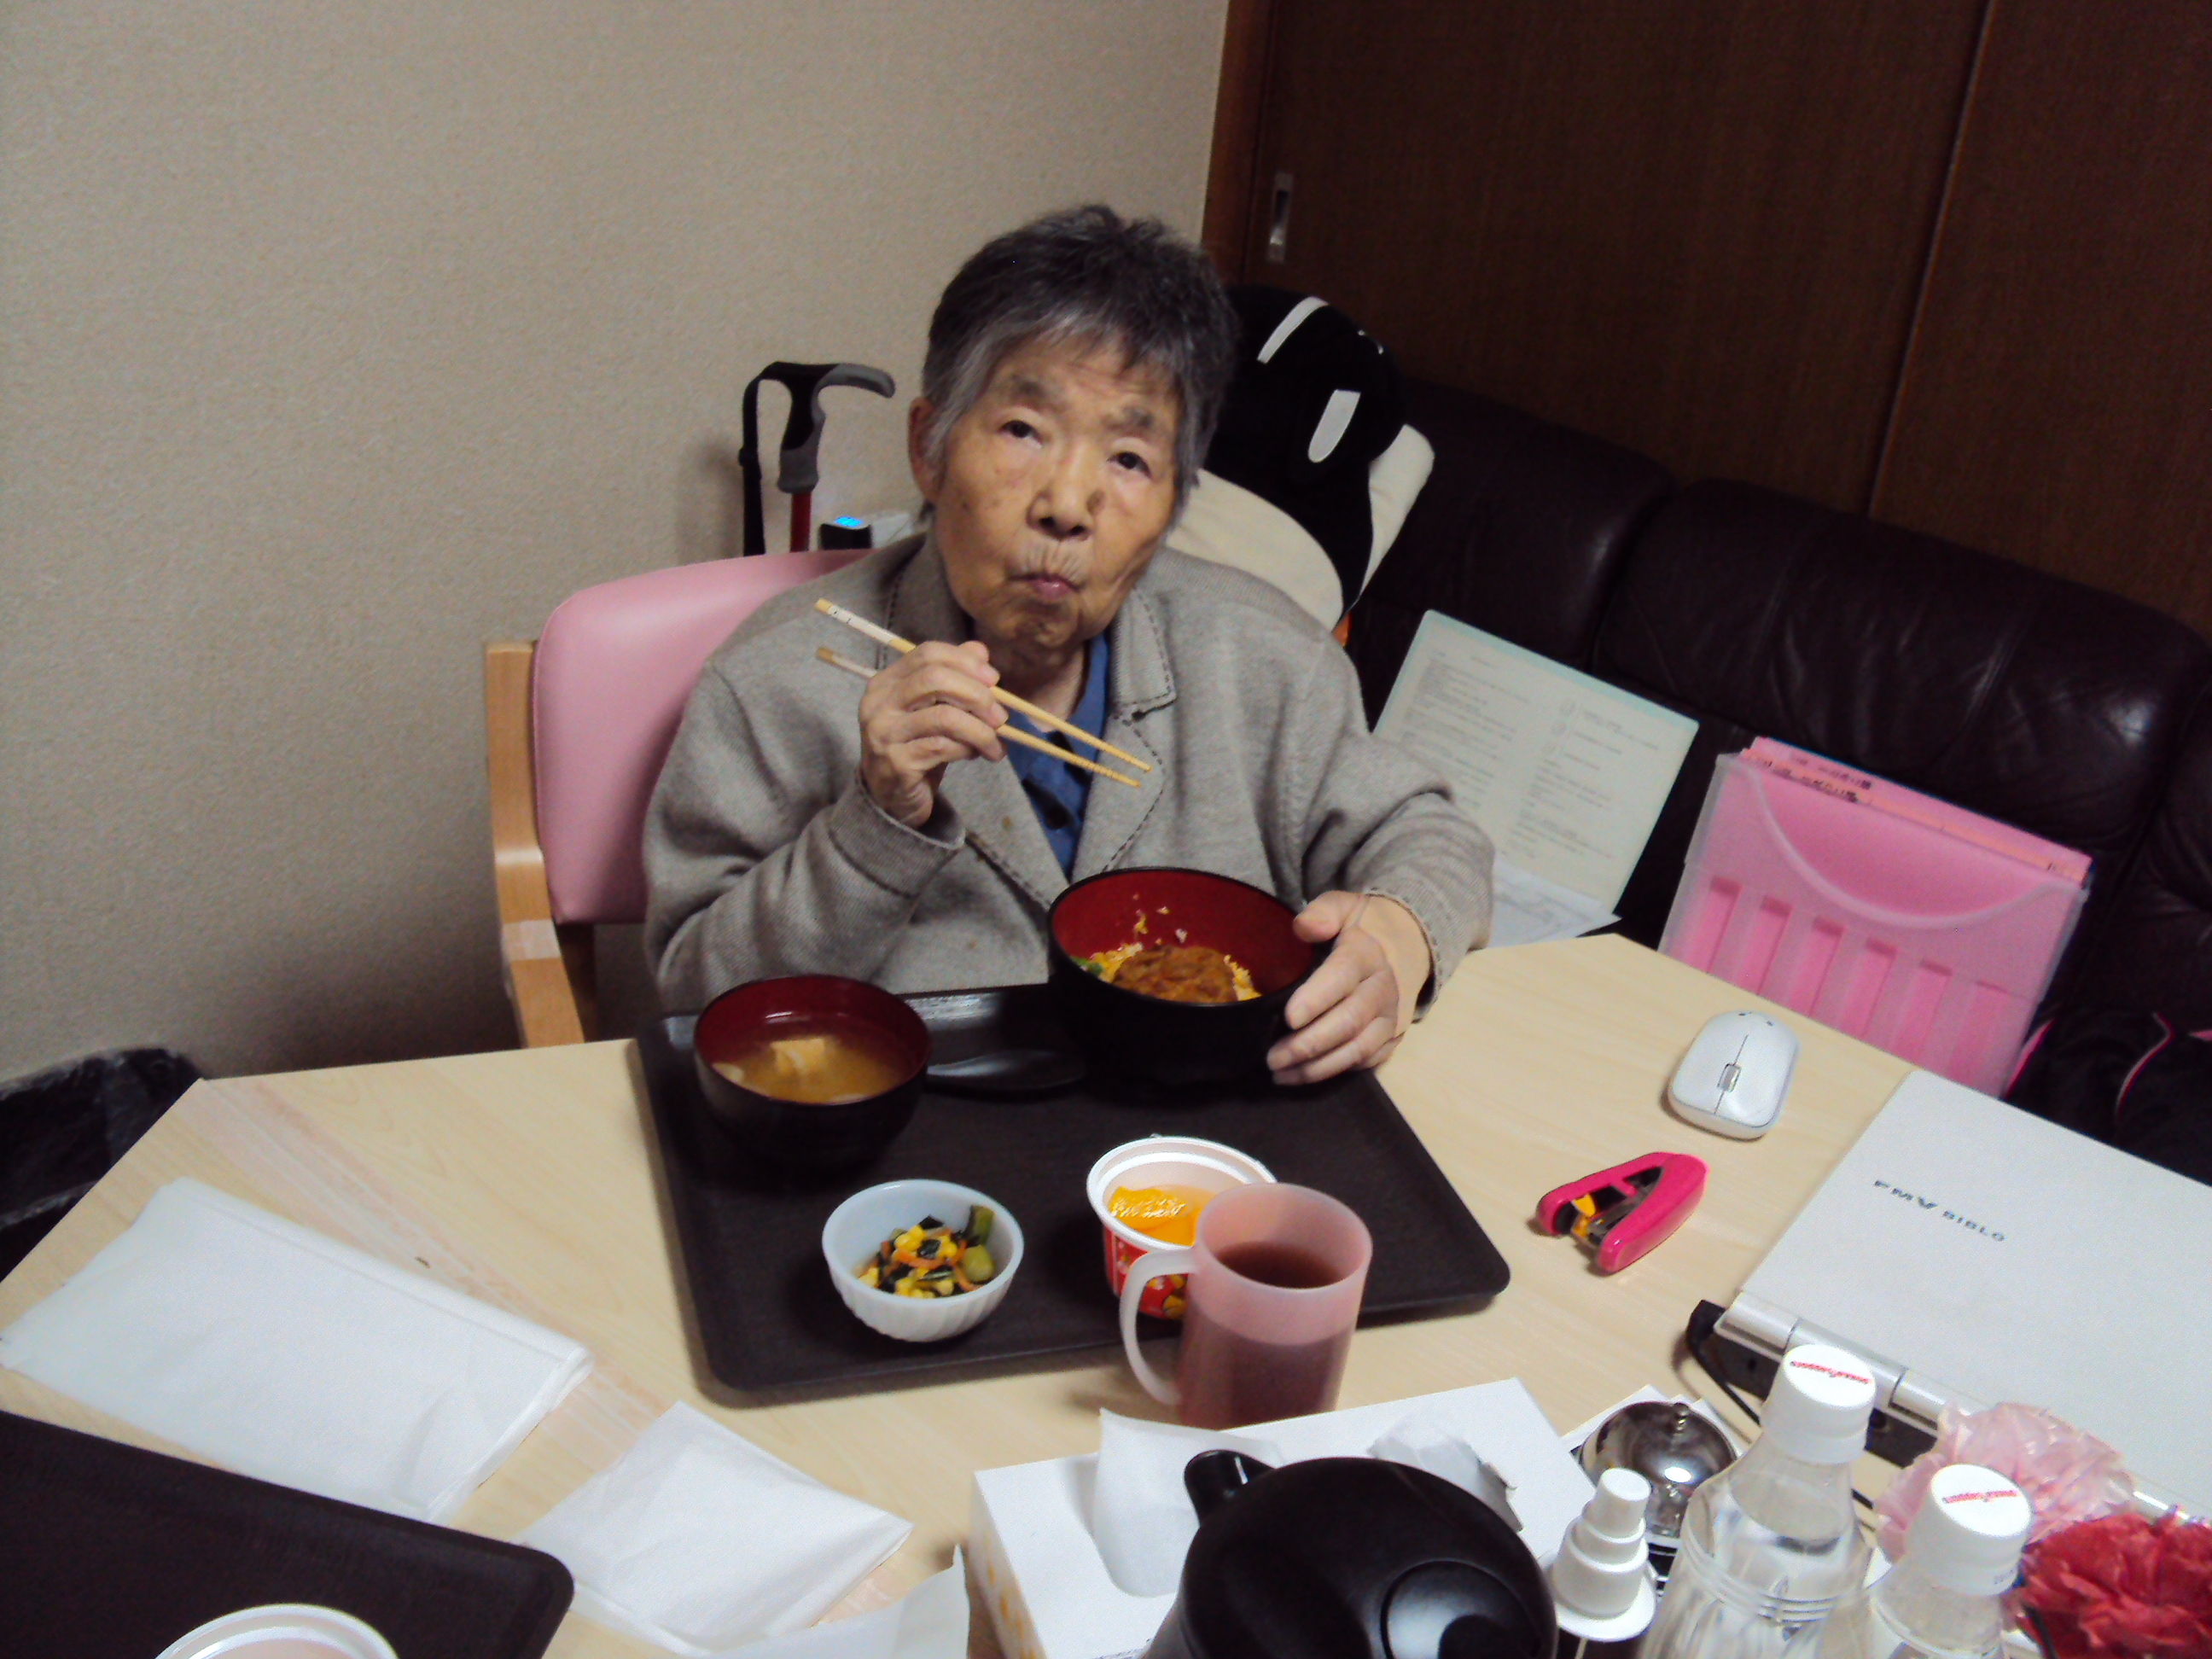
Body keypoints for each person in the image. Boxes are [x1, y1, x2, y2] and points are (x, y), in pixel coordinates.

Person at [644, 206, 1492, 1084]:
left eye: (1129, 459)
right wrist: (876, 821)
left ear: (1176, 500)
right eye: (1023, 430)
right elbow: (689, 995)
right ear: (930, 448)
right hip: (915, 1129)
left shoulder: (1268, 657)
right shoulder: (777, 677)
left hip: (1199, 1127)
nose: (1067, 505)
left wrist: (1401, 933)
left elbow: (1431, 836)